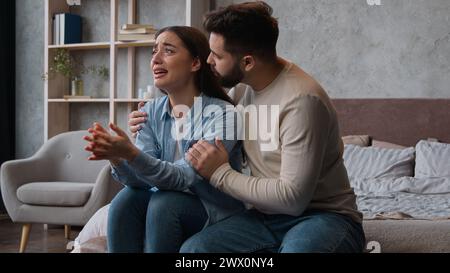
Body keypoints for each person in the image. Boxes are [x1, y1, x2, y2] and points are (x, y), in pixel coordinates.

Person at [129, 1, 365, 253]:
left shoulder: (302, 101)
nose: (209, 60)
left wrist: (219, 173)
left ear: (248, 62)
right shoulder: (242, 89)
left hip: (322, 216)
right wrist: (152, 113)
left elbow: (293, 199)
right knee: (194, 252)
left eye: (217, 56)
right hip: (263, 217)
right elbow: (205, 112)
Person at [83, 26, 244, 253]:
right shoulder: (150, 111)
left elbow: (184, 178)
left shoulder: (223, 114)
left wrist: (132, 154)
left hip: (212, 209)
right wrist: (117, 158)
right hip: (166, 206)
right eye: (153, 52)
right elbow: (139, 181)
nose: (155, 59)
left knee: (164, 203)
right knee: (125, 200)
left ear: (195, 63)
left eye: (168, 51)